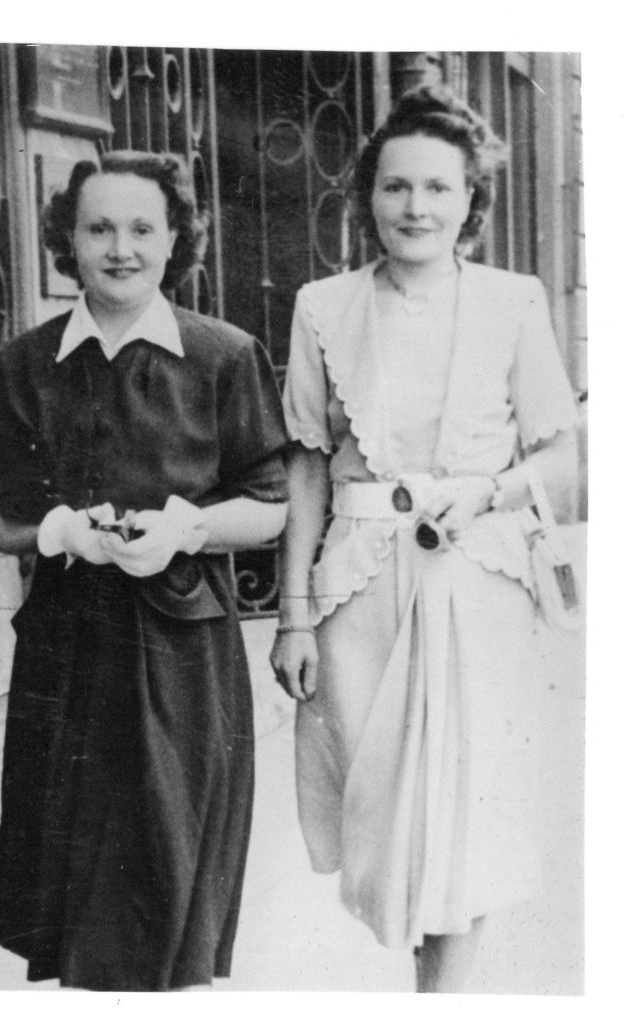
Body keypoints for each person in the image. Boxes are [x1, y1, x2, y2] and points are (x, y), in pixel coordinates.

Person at [270, 84, 578, 993]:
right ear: (368, 196)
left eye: (439, 189)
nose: (417, 208)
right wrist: (292, 618)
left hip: (476, 579)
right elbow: (307, 465)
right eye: (397, 187)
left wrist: (489, 490)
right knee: (382, 813)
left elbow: (562, 455)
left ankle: (438, 1003)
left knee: (462, 812)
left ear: (470, 201)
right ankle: (422, 980)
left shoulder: (512, 301)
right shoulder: (323, 306)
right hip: (358, 588)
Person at [0, 150, 289, 991]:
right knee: (76, 908)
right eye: (98, 227)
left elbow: (271, 504)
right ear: (66, 239)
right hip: (66, 654)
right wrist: (58, 530)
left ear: (177, 237)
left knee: (169, 886)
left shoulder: (224, 355)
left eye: (143, 228)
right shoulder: (25, 363)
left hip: (185, 658)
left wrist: (188, 528)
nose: (120, 248)